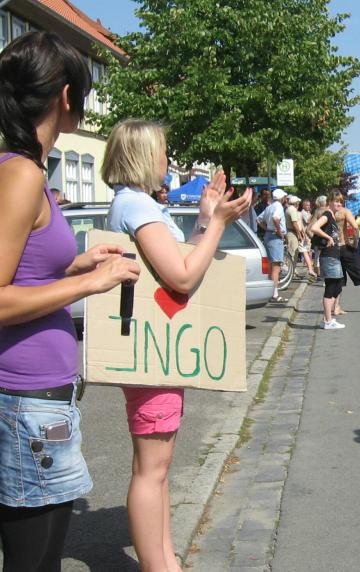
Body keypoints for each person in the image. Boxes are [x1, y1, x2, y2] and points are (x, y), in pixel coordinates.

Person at [0, 32, 141, 571]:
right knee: (34, 562)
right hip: (25, 401)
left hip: (37, 399)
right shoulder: (21, 173)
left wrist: (76, 264)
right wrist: (89, 285)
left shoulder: (25, 171)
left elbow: (24, 269)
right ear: (65, 95)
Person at [102, 119, 250, 572]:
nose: (167, 160)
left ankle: (166, 560)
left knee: (157, 467)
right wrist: (219, 224)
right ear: (145, 155)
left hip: (155, 349)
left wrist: (206, 218)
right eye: (163, 151)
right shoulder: (137, 206)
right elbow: (183, 276)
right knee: (152, 469)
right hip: (153, 352)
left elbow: (179, 259)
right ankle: (158, 565)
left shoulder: (135, 203)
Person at [308, 193, 346, 329]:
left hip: (333, 255)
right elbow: (314, 228)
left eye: (340, 202)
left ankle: (326, 319)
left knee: (337, 286)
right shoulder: (328, 214)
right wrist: (328, 238)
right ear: (329, 201)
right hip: (329, 256)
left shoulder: (332, 216)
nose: (339, 204)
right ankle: (328, 321)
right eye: (336, 201)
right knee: (331, 287)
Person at [257, 188, 289, 303]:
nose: (285, 199)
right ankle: (275, 294)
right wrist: (279, 231)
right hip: (275, 237)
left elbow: (258, 219)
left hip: (268, 236)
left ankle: (271, 292)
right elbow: (276, 218)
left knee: (271, 266)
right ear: (282, 198)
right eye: (284, 197)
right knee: (276, 266)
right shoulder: (278, 207)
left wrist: (267, 229)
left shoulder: (269, 207)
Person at [285, 195, 317, 281]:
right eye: (298, 203)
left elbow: (300, 225)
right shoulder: (293, 210)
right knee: (293, 253)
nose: (298, 204)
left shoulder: (295, 211)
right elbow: (295, 223)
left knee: (301, 252)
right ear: (296, 203)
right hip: (293, 233)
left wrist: (302, 234)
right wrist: (300, 234)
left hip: (297, 234)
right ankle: (292, 272)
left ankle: (300, 270)